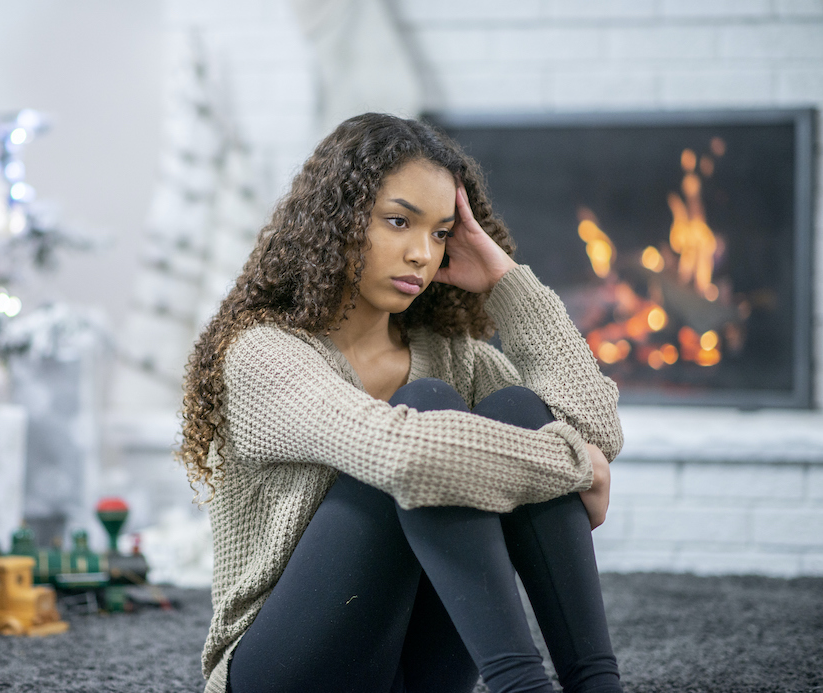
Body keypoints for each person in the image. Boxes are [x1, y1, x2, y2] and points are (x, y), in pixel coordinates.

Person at [179, 113, 624, 693]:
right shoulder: (263, 354)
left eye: (441, 234)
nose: (422, 253)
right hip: (286, 670)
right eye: (398, 222)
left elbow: (592, 430)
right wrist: (571, 466)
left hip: (416, 671)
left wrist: (504, 279)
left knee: (517, 407)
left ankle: (596, 683)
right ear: (335, 222)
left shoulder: (452, 355)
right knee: (427, 409)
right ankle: (523, 686)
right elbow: (406, 456)